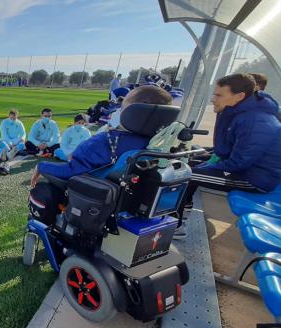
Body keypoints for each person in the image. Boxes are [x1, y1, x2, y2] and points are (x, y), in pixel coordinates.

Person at [176, 74, 281, 234]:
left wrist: (210, 165)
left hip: (255, 179)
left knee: (186, 175)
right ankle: (178, 218)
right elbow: (229, 149)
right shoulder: (242, 113)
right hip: (245, 170)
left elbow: (239, 163)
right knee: (189, 165)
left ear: (239, 96)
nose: (213, 99)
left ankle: (177, 226)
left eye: (219, 95)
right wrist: (207, 160)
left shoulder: (255, 120)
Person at [31, 85, 173, 187]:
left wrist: (41, 166)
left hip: (94, 199)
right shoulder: (159, 146)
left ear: (132, 114)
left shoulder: (102, 141)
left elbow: (71, 170)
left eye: (122, 107)